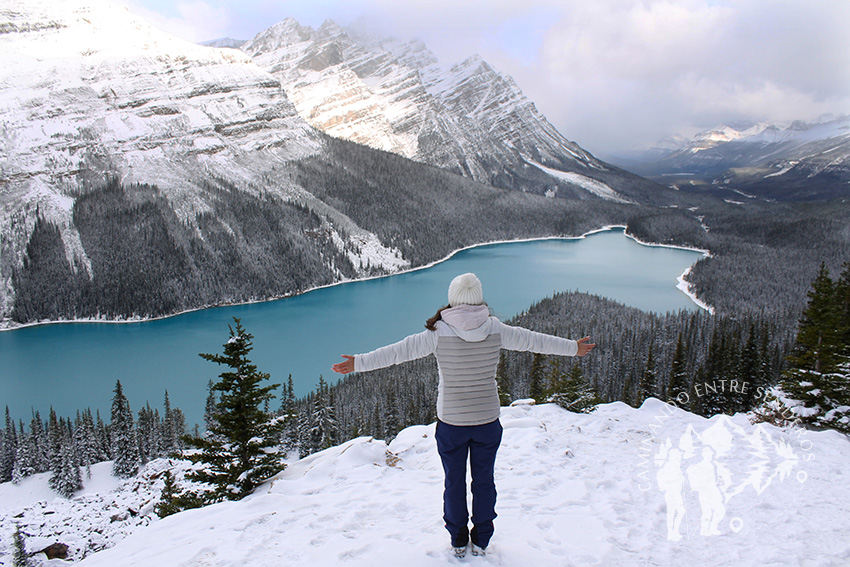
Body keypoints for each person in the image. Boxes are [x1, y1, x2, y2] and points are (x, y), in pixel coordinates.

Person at [332, 273, 595, 558]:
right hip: (487, 421)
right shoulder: (496, 329)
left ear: (453, 300)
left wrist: (358, 363)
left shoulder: (438, 333)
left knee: (453, 481)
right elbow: (534, 341)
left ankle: (458, 539)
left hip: (452, 423)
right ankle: (482, 539)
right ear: (479, 299)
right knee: (484, 480)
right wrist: (572, 348)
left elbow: (398, 352)